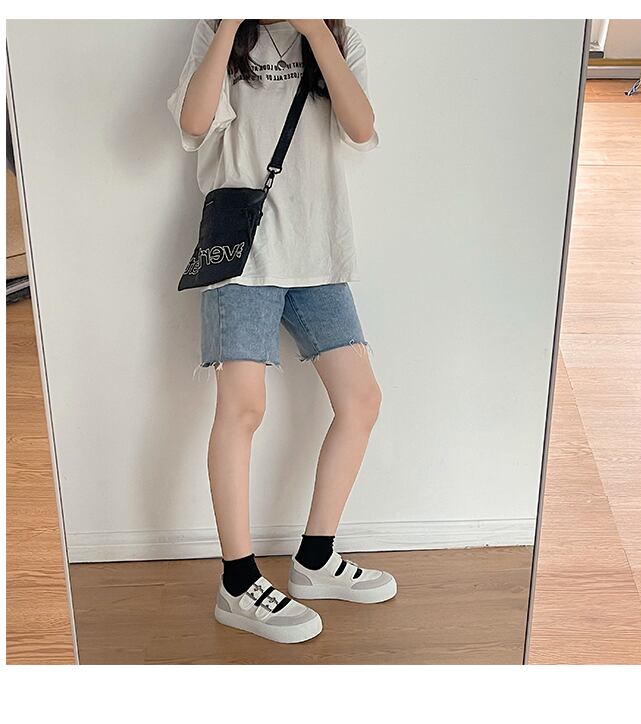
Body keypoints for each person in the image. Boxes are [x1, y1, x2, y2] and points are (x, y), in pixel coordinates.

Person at [167, 19, 396, 644]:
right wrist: (229, 21)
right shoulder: (220, 32)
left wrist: (316, 30)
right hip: (242, 261)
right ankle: (238, 582)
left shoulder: (336, 36)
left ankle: (315, 559)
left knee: (361, 401)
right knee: (243, 410)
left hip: (319, 254)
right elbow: (193, 123)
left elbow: (361, 128)